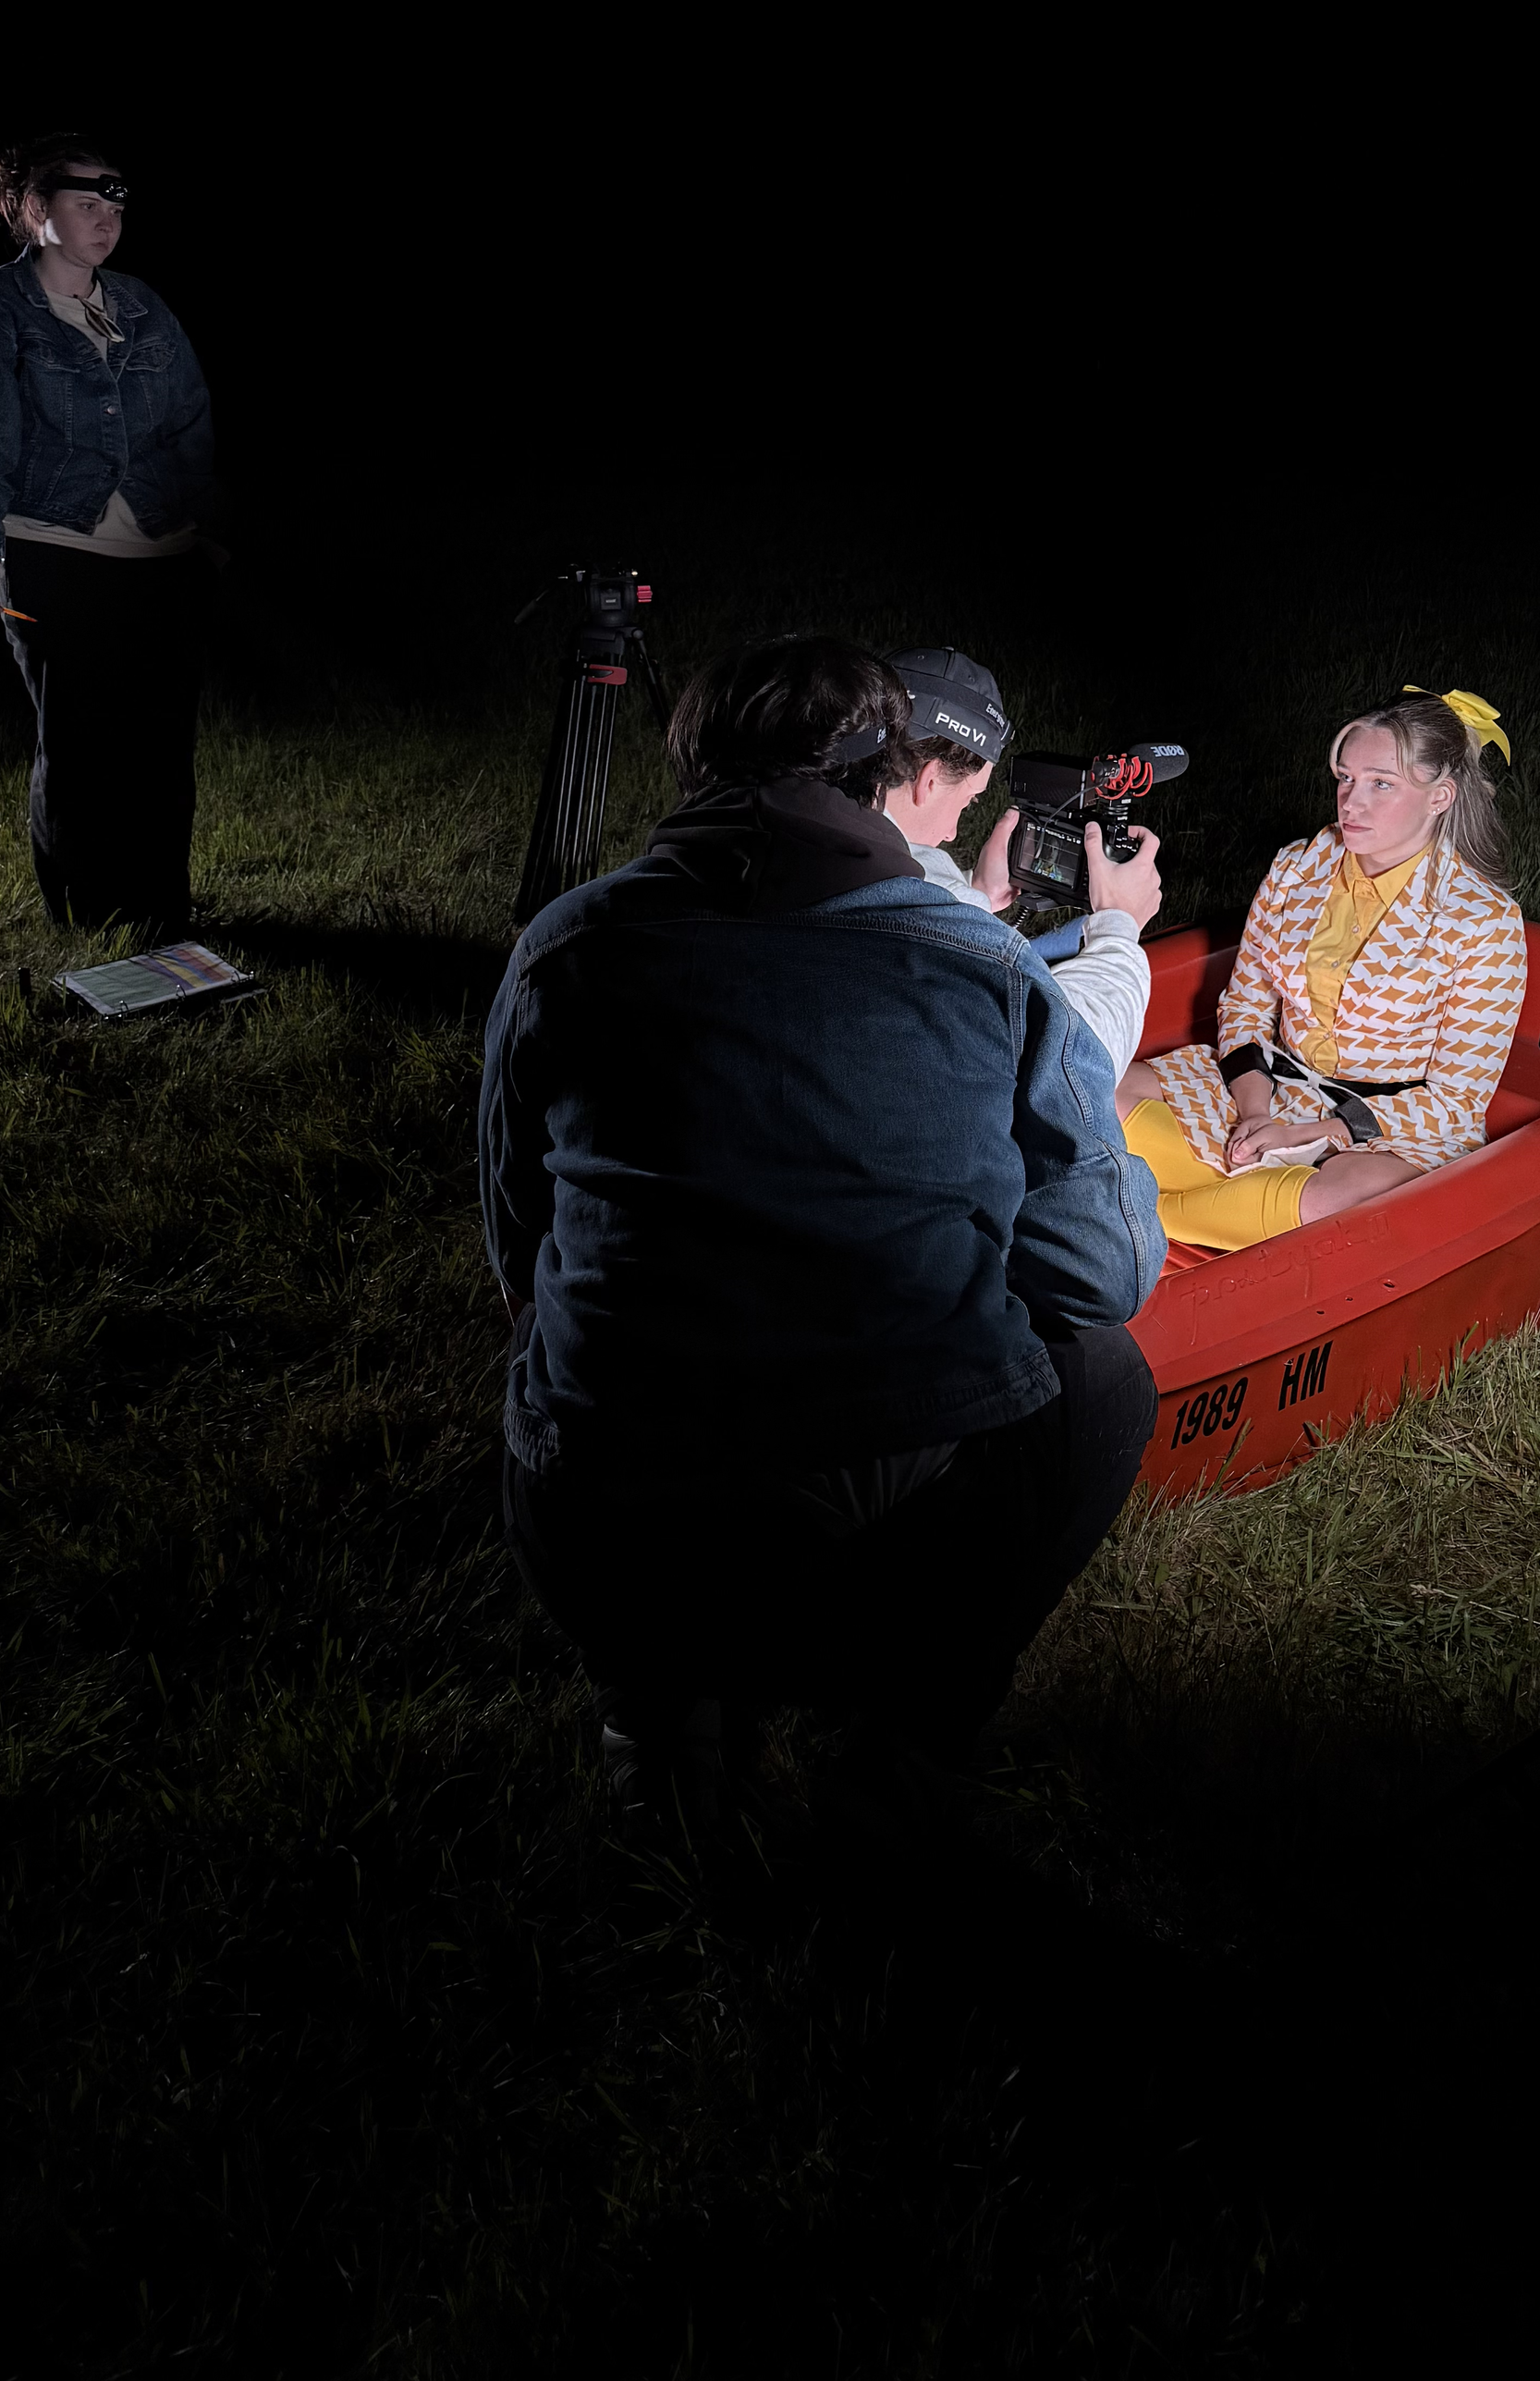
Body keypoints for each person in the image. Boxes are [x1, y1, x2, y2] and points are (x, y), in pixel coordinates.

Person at [478, 635, 1165, 1835]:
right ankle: (916, 1725)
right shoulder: (983, 967)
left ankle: (653, 1715)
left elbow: (517, 1242)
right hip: (871, 1530)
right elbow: (1102, 1269)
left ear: (692, 765)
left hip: (600, 1526)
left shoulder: (567, 946)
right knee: (1101, 1376)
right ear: (885, 771)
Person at [0, 135, 219, 939]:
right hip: (53, 553)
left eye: (115, 201)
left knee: (160, 751)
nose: (105, 217)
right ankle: (92, 920)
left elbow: (191, 424)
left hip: (159, 556)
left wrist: (209, 532)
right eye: (84, 202)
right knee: (82, 748)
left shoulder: (141, 305)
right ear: (34, 210)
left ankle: (161, 911)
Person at [1117, 689, 1526, 1250]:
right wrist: (1254, 1112)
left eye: (1382, 783)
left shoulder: (1485, 920)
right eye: (1346, 779)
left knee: (1349, 1198)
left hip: (1392, 1129)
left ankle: (1142, 1217)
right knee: (1098, 1087)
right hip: (1274, 1083)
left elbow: (1455, 1102)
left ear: (1441, 797)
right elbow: (1245, 1006)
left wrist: (1313, 1133)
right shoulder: (1297, 867)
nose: (1352, 803)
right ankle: (1238, 1198)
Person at [879, 645, 1162, 1082]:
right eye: (970, 801)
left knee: (1064, 940)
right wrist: (1120, 924)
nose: (954, 833)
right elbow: (1073, 1062)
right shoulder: (928, 905)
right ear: (929, 780)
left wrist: (977, 897)